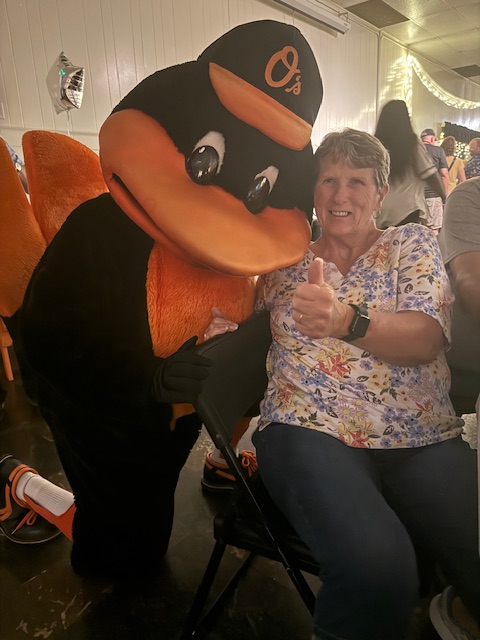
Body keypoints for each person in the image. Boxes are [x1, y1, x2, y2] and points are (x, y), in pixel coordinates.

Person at [211, 128, 478, 640]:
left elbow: (426, 338)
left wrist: (346, 321)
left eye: (357, 181)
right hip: (307, 429)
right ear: (313, 190)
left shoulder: (411, 243)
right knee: (377, 567)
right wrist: (221, 330)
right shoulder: (282, 259)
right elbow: (240, 318)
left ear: (381, 193)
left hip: (418, 432)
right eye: (328, 180)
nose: (340, 194)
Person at [373, 100, 443, 228]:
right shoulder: (411, 142)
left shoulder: (375, 144)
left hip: (380, 209)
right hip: (407, 208)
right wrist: (445, 198)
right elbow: (430, 175)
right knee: (407, 241)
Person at [420, 128, 448, 234]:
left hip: (416, 197)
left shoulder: (413, 151)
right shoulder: (438, 151)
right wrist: (444, 195)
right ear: (432, 139)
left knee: (417, 229)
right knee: (434, 229)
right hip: (433, 195)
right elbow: (444, 174)